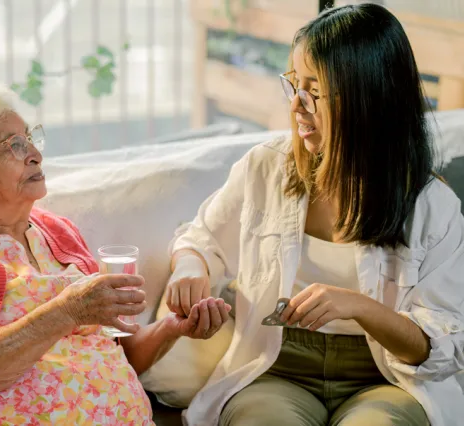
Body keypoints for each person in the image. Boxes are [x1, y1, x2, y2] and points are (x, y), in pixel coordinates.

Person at [167, 3, 464, 426]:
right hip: (276, 368)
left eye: (316, 93)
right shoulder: (264, 169)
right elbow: (199, 241)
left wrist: (359, 307)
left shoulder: (433, 207)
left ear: (371, 98)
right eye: (294, 85)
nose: (297, 107)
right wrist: (189, 271)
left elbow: (439, 350)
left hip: (387, 379)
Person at [0, 74, 231, 426]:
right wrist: (68, 312)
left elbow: (119, 355)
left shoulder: (57, 232)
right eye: (12, 146)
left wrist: (173, 328)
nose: (36, 155)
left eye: (29, 138)